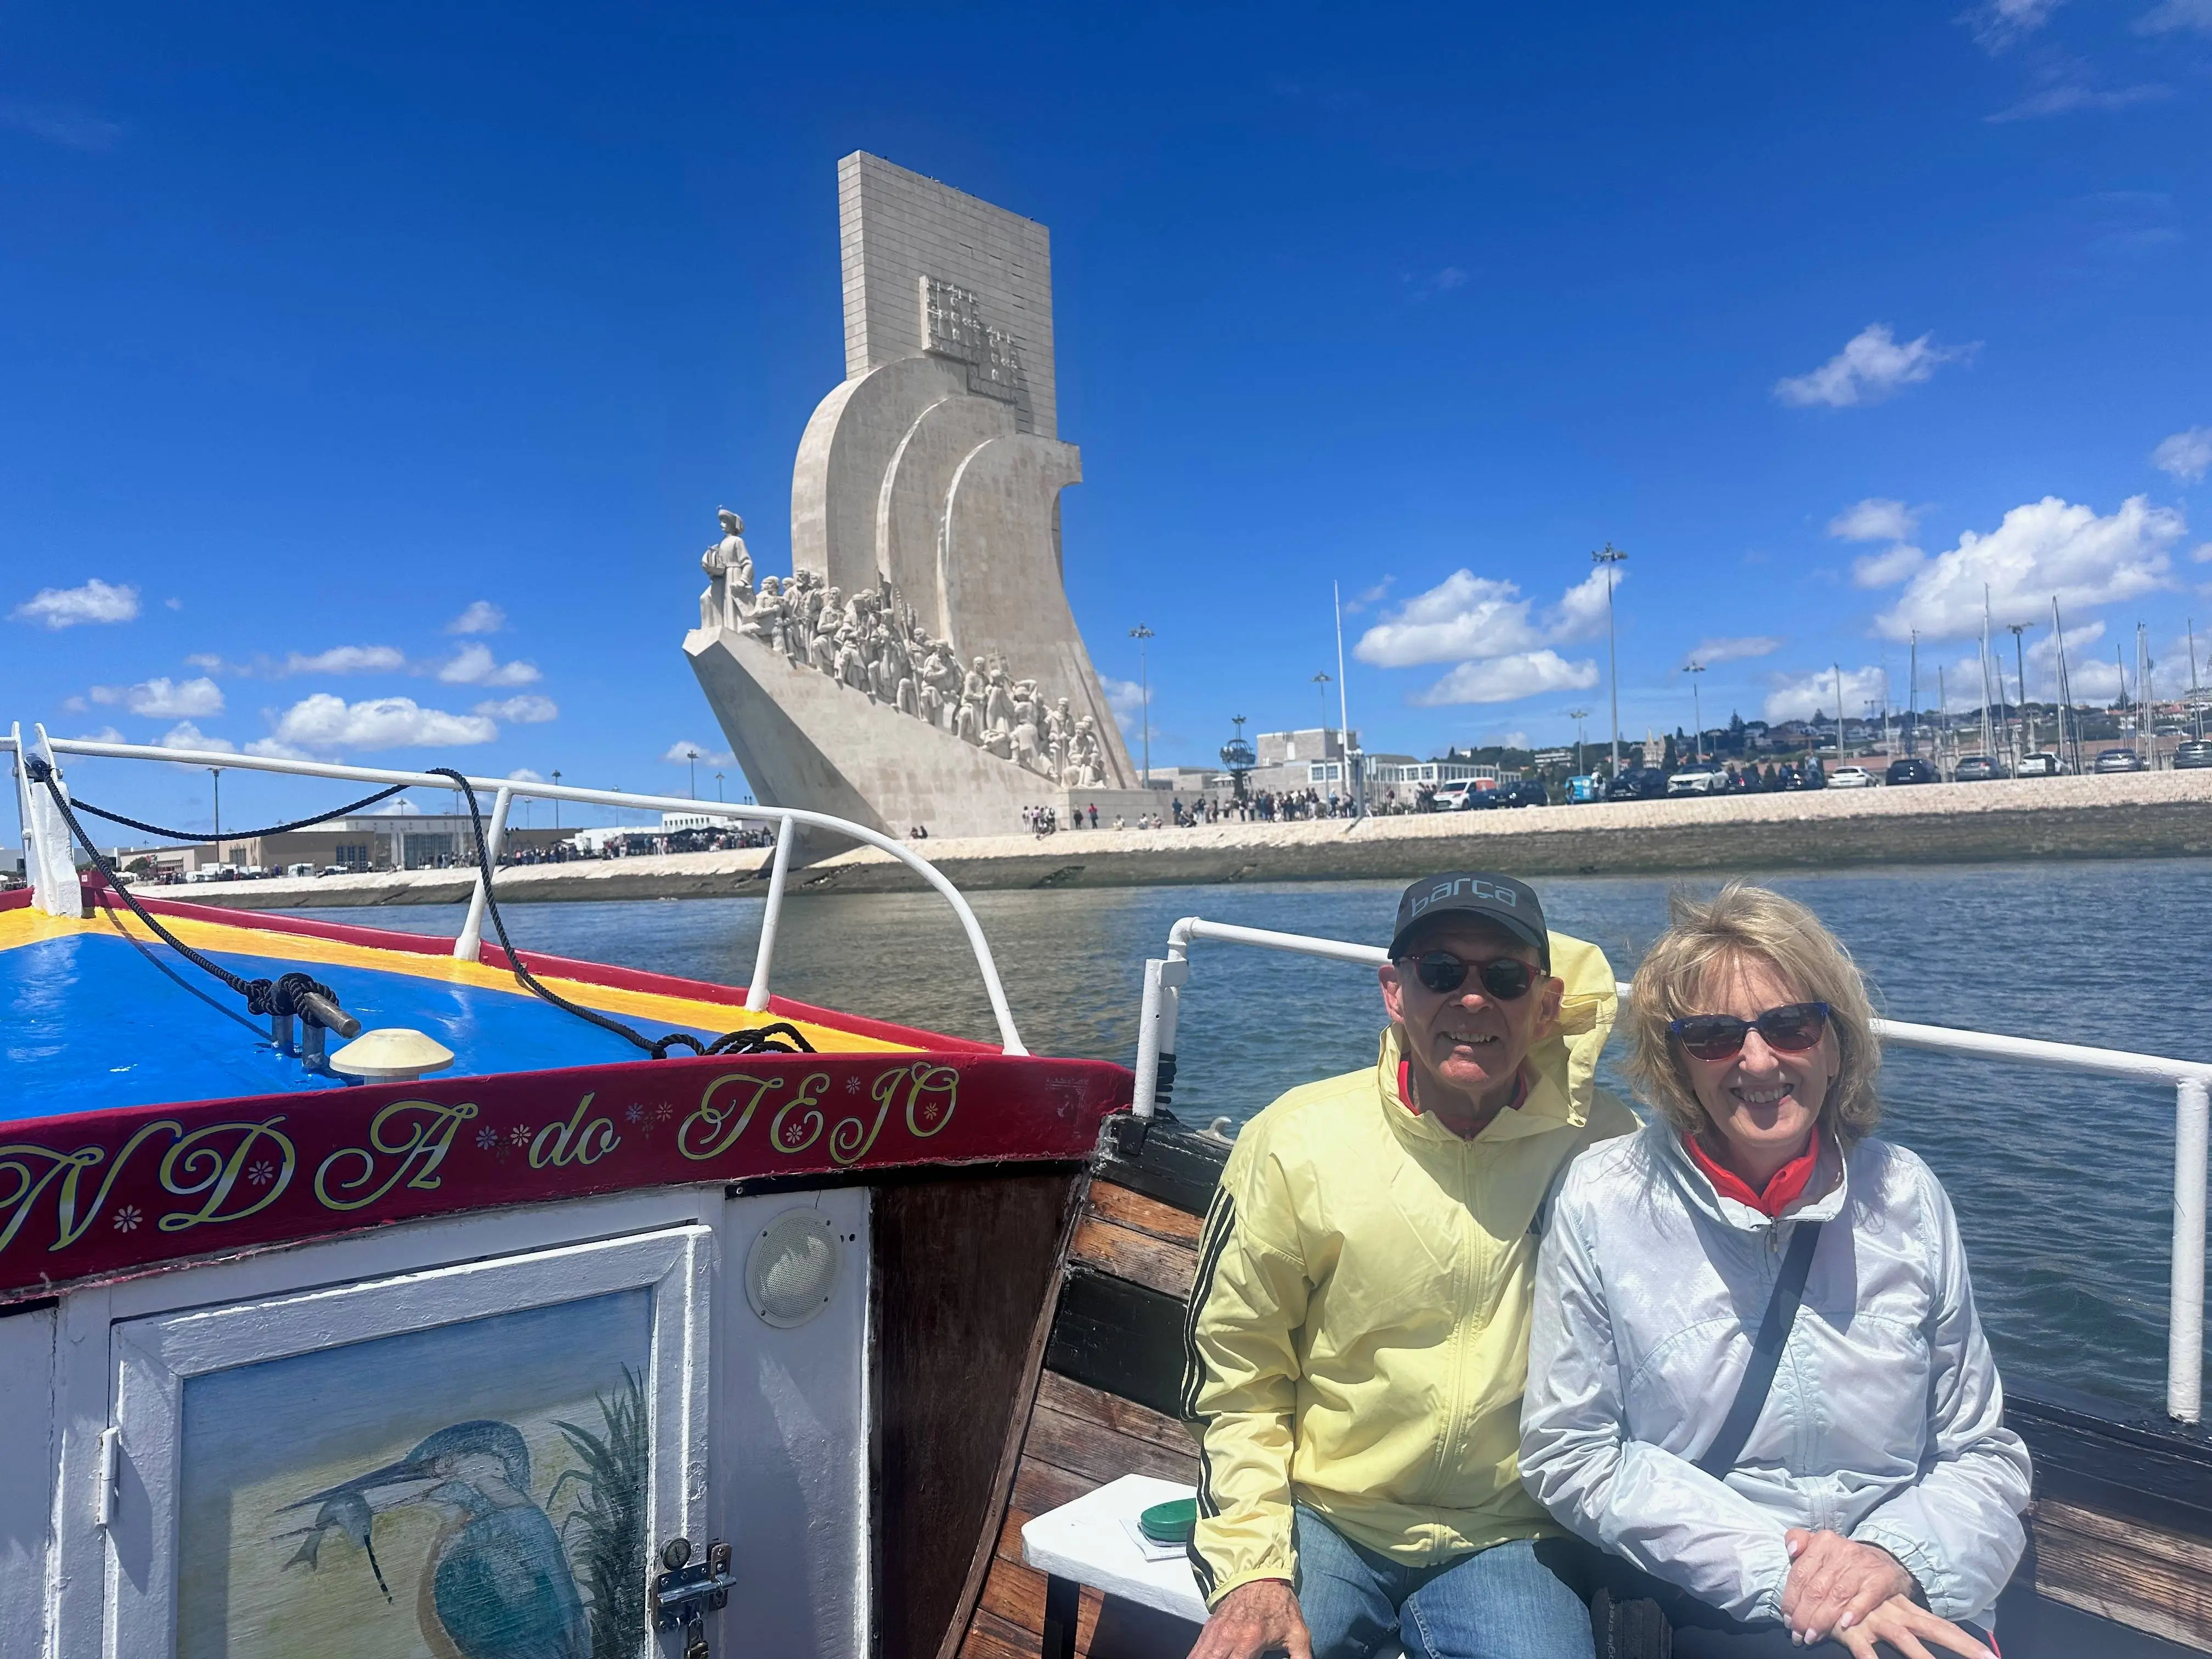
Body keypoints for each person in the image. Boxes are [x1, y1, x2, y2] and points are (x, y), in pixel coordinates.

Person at [1519, 884, 2028, 1659]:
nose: (1758, 1060)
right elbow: (1573, 1451)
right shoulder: (1603, 1198)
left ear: (1834, 1043)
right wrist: (1782, 1574)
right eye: (1716, 1036)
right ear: (1677, 1060)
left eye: (1791, 1025)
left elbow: (1980, 1450)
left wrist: (1893, 1560)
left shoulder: (1906, 1193)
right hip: (1718, 1590)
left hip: (1903, 1574)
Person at [1184, 873, 1640, 1659]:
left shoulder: (1608, 1147)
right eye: (1440, 972)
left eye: (1503, 977)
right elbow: (1238, 1379)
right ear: (1395, 991)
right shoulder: (1294, 1141)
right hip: (1324, 1515)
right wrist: (1253, 1567)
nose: (1471, 1000)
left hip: (1511, 1532)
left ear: (1542, 1003)